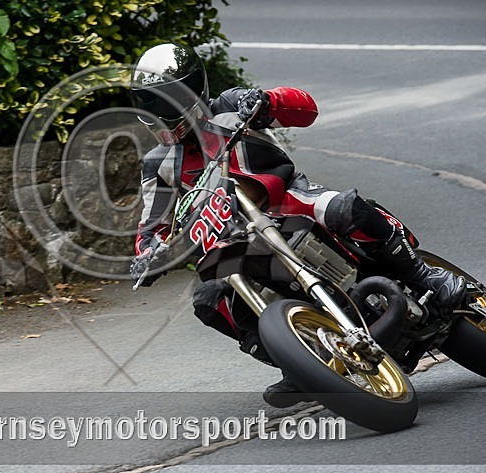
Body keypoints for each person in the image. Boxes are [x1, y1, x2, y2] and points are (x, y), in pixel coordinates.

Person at [128, 43, 466, 408]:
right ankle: (299, 363)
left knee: (342, 208)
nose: (156, 112)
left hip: (286, 199)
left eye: (160, 101)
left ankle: (424, 276)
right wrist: (149, 255)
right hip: (233, 238)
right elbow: (152, 226)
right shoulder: (158, 163)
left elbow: (304, 108)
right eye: (147, 103)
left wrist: (267, 102)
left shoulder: (229, 106)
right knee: (209, 299)